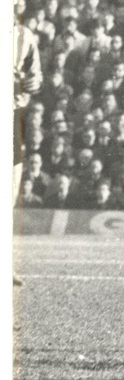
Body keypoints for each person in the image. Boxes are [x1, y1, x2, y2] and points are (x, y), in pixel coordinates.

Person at [14, 23, 42, 287]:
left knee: (8, 197)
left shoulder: (25, 36)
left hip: (11, 119)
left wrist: (29, 83)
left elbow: (36, 79)